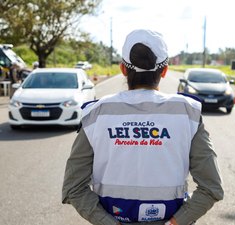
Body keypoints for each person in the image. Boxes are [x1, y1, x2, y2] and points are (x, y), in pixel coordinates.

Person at [62, 29, 224, 225]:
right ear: (164, 71)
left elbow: (73, 188)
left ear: (123, 69)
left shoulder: (96, 113)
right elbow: (211, 187)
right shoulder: (187, 112)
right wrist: (176, 223)